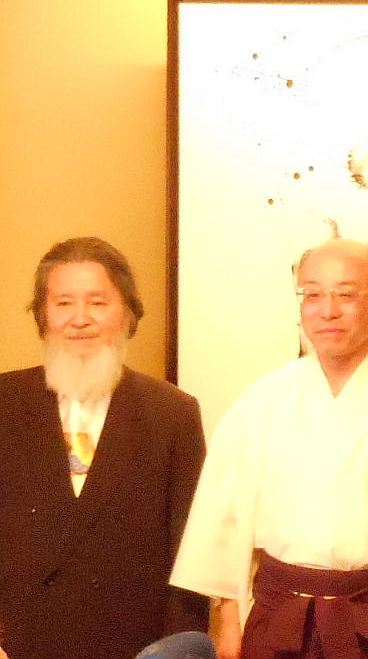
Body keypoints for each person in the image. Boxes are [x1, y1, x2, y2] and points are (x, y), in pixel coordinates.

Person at [171, 238, 368, 659]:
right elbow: (222, 518)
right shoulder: (261, 401)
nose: (327, 310)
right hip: (275, 617)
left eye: (346, 294)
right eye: (312, 294)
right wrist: (228, 622)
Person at [0, 237, 208, 659]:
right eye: (63, 303)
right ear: (43, 315)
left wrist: (176, 650)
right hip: (18, 641)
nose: (80, 319)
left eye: (97, 303)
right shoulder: (6, 403)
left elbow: (191, 552)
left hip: (133, 645)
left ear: (128, 312)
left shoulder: (173, 413)